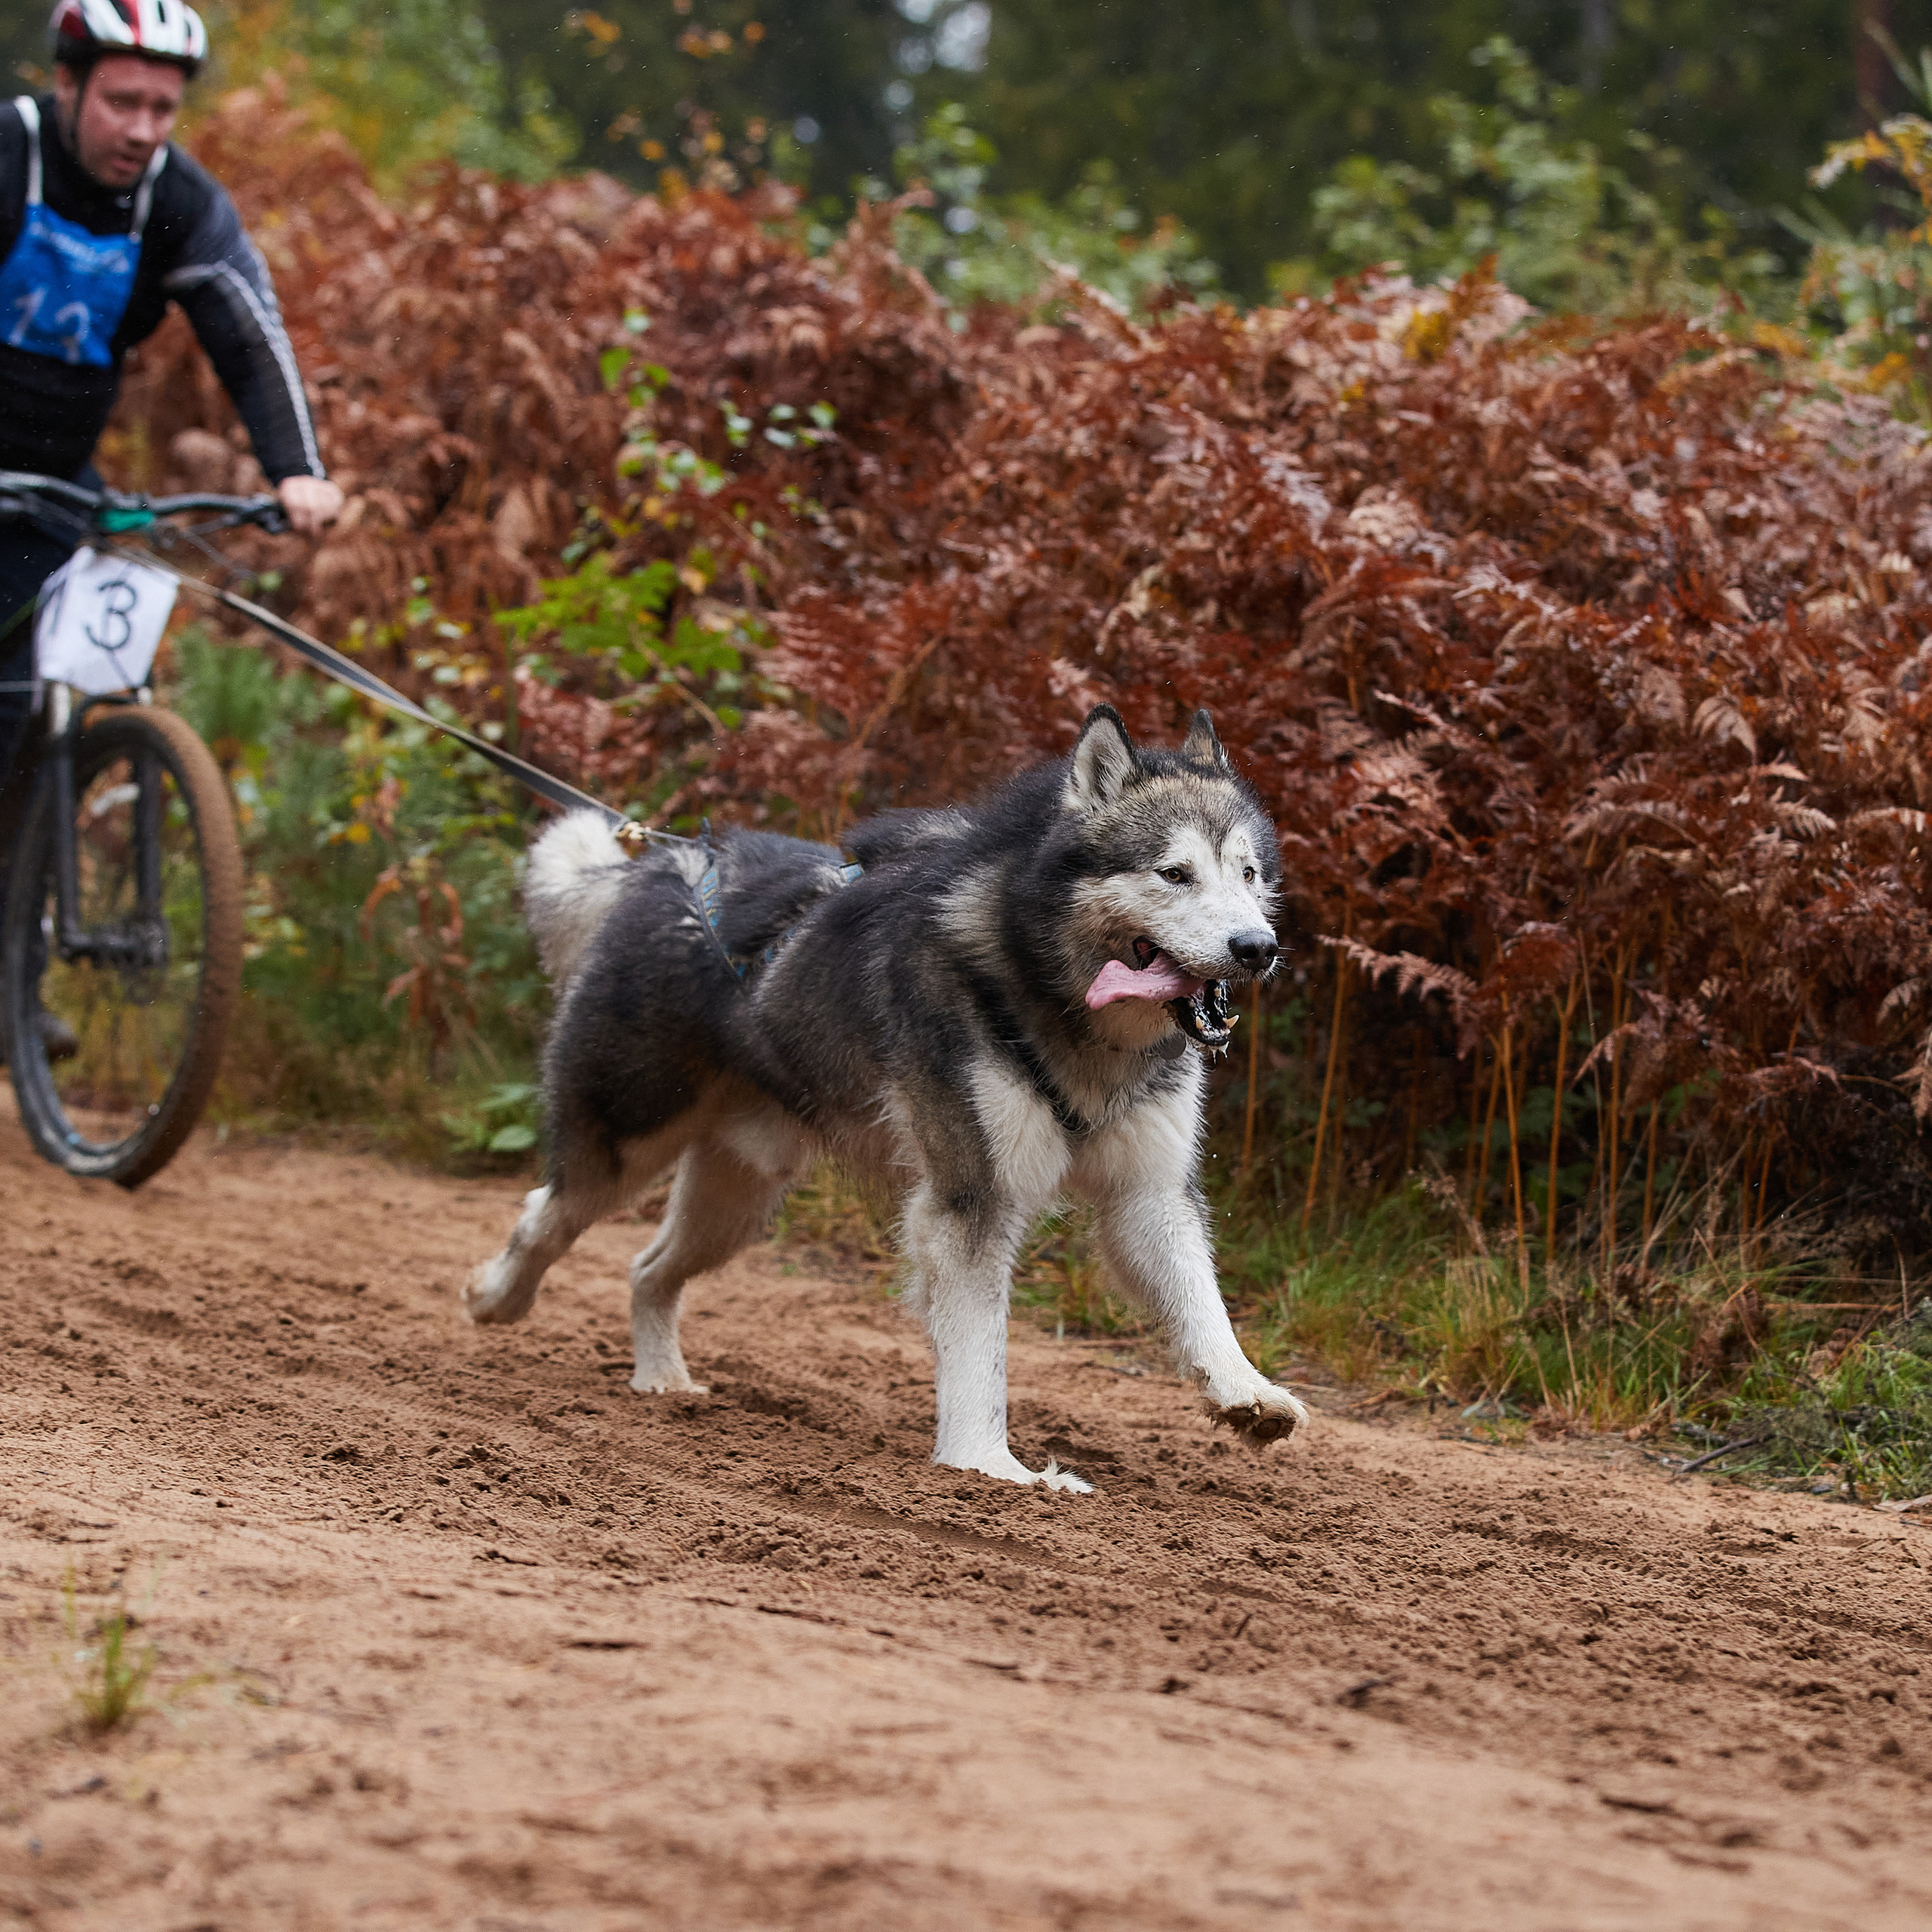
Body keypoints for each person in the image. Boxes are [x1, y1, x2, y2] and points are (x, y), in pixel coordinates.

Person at [0, 0, 343, 795]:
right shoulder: (11, 152)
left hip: (53, 480)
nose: (144, 130)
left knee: (31, 711)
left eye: (163, 109)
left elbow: (246, 331)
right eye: (122, 104)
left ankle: (29, 893)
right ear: (66, 85)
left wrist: (296, 468)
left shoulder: (177, 201)